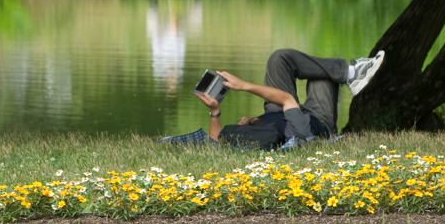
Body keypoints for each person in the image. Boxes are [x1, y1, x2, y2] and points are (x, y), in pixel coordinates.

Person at [163, 48, 385, 149]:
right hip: (316, 121)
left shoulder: (245, 139)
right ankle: (351, 73)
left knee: (279, 59)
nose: (241, 121)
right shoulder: (295, 134)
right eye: (244, 123)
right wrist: (243, 86)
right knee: (321, 77)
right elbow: (287, 99)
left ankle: (349, 72)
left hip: (276, 112)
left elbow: (214, 142)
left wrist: (214, 110)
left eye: (242, 123)